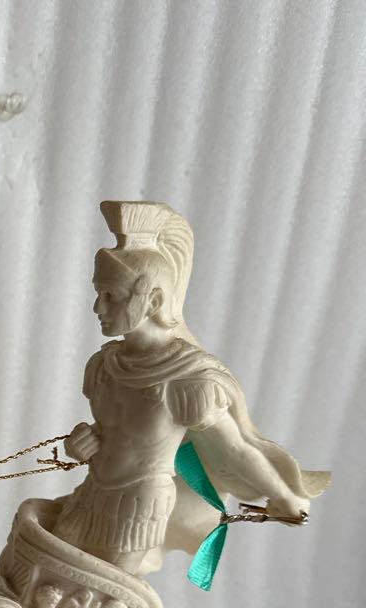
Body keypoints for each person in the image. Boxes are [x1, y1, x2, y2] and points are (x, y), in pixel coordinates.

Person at [54, 200, 329, 575]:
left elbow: (235, 448)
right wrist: (83, 442)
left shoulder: (186, 379)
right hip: (93, 492)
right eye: (98, 293)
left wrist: (283, 496)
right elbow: (109, 433)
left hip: (138, 507)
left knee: (97, 584)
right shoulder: (105, 366)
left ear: (153, 300)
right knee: (48, 557)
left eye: (110, 296)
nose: (97, 308)